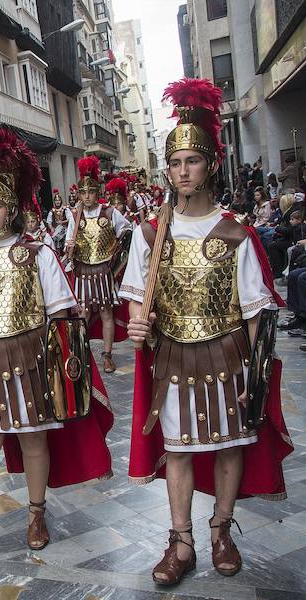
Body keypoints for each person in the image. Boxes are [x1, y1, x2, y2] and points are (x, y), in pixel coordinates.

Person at [120, 78, 292, 586]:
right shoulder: (150, 231)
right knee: (177, 449)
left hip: (227, 352)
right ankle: (181, 541)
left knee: (229, 444)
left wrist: (255, 376)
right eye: (174, 163)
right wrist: (137, 320)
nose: (181, 171)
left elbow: (257, 310)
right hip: (173, 354)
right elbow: (137, 296)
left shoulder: (236, 230)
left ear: (209, 164)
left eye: (190, 161)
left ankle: (220, 530)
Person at [0, 127, 113, 561]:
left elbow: (61, 316)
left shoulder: (37, 253)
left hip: (29, 358)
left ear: (12, 207)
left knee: (33, 441)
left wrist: (65, 372)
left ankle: (36, 512)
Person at [65, 156, 132, 373]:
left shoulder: (111, 213)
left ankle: (107, 355)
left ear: (98, 193)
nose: (86, 196)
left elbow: (127, 234)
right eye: (82, 193)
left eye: (91, 192)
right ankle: (81, 354)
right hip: (84, 270)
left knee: (105, 313)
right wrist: (70, 247)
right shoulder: (75, 218)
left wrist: (117, 265)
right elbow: (68, 249)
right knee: (83, 313)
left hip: (104, 270)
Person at [268, 202, 306, 279]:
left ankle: (283, 270)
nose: (290, 221)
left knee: (290, 249)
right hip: (292, 239)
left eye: (292, 219)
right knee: (273, 242)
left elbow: (289, 231)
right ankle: (280, 270)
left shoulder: (299, 225)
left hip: (296, 242)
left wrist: (277, 227)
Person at [46, 189, 69, 254]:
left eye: (58, 200)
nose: (57, 202)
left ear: (61, 200)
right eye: (56, 200)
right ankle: (58, 254)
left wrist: (62, 222)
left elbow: (70, 219)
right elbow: (49, 221)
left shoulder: (65, 209)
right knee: (55, 238)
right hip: (56, 229)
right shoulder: (52, 211)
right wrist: (51, 228)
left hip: (65, 228)